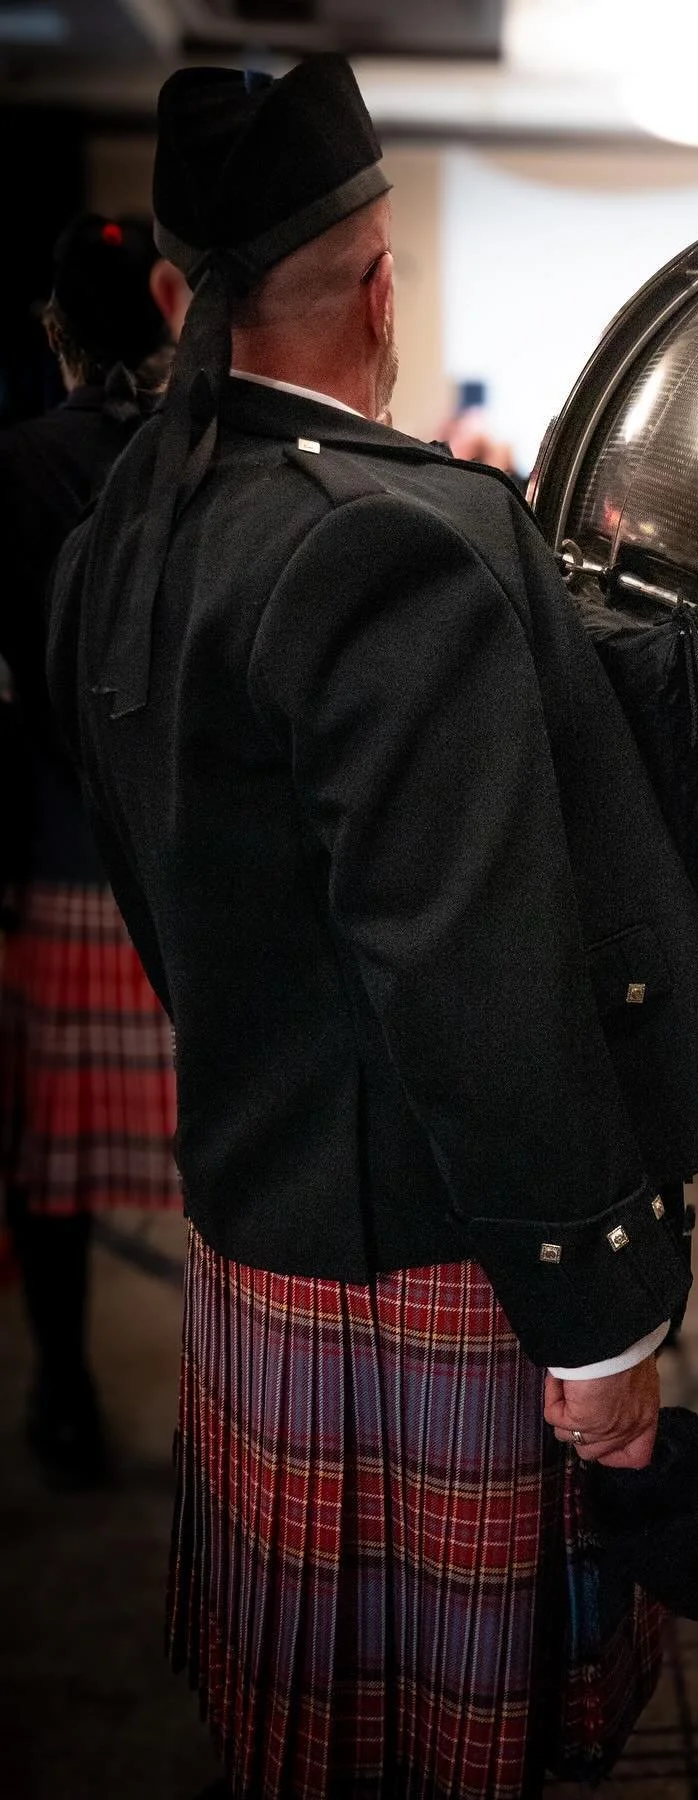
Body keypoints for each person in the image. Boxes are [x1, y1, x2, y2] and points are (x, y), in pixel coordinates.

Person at [45, 56, 698, 1800]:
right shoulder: (401, 544)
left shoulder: (121, 536)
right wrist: (599, 1336)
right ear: (382, 286)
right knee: (452, 1751)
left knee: (318, 1740)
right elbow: (484, 980)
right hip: (444, 1267)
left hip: (264, 1236)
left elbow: (172, 911)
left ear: (172, 294)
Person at [0, 213, 188, 1484]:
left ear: (55, 332)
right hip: (196, 881)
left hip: (62, 855)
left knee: (50, 1161)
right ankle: (234, 1398)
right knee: (229, 1157)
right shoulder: (212, 454)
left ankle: (65, 1390)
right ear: (172, 308)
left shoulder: (14, 466)